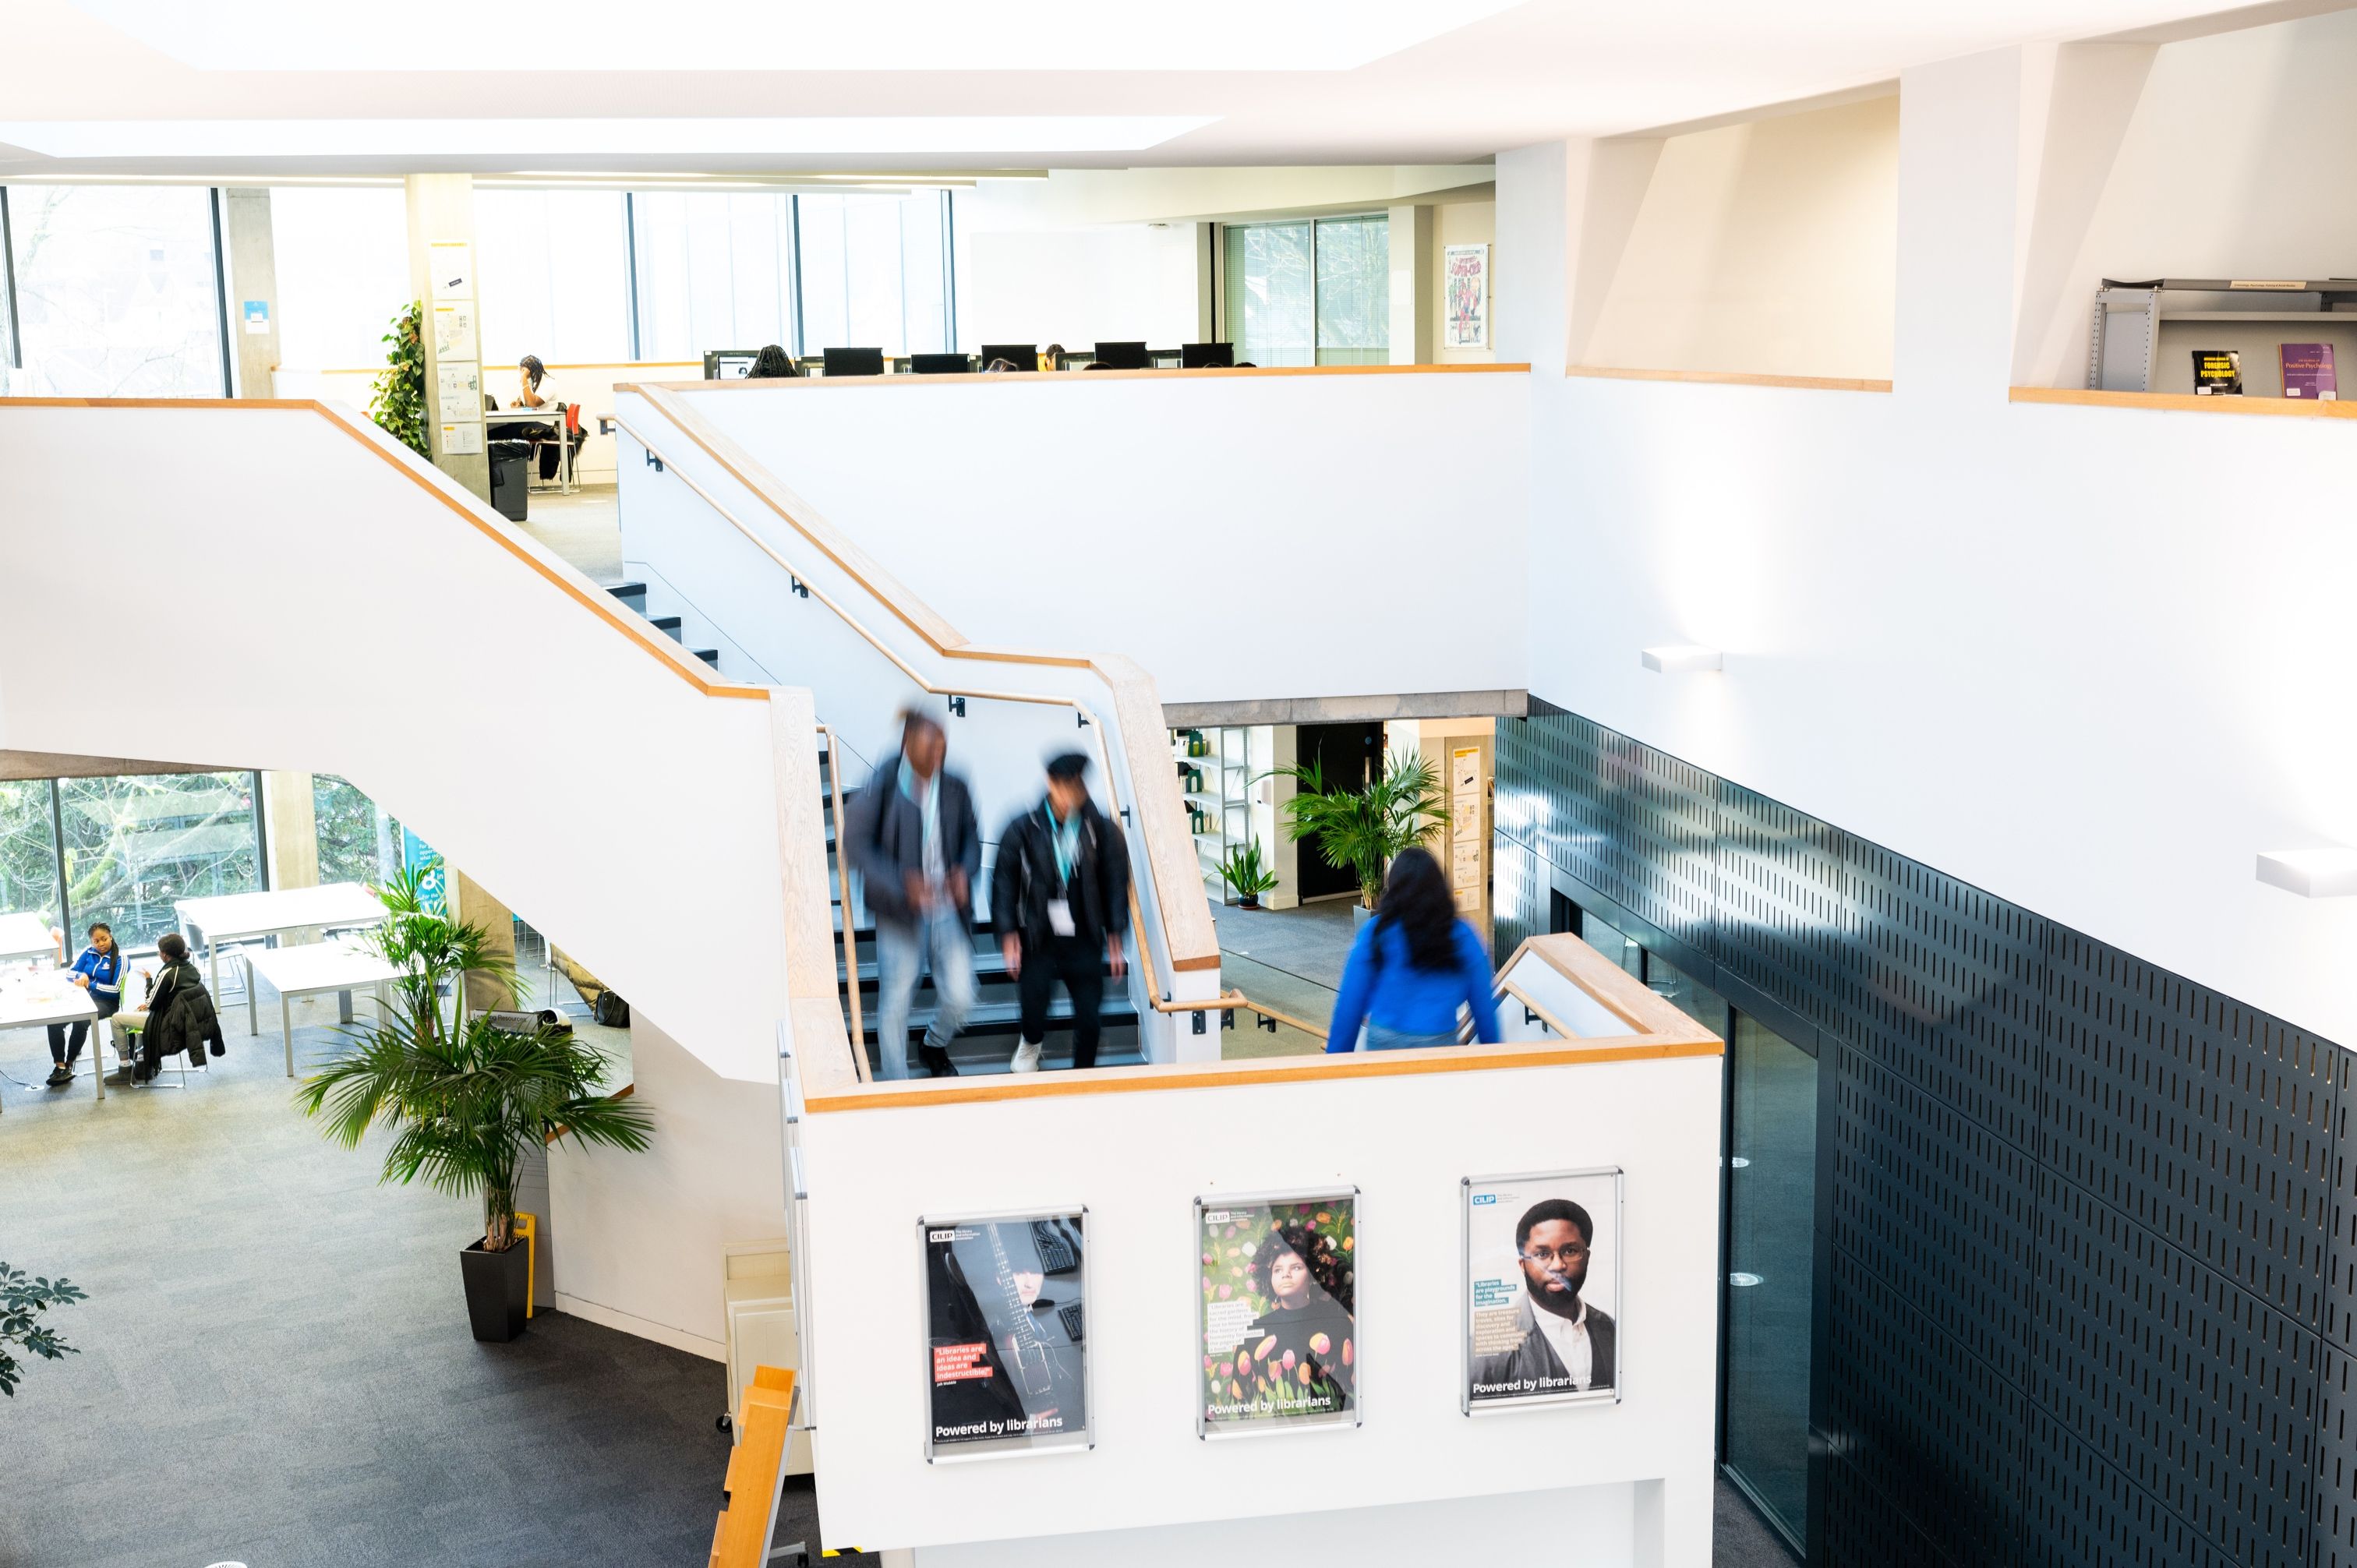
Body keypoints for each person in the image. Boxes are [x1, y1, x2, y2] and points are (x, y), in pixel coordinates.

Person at [843, 708, 981, 1079]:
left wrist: (964, 872)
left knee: (961, 997)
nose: (938, 755)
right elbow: (857, 848)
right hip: (899, 914)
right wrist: (903, 885)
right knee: (896, 1004)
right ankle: (896, 1086)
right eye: (929, 748)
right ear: (907, 745)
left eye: (943, 747)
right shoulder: (880, 786)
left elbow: (971, 837)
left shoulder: (955, 786)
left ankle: (933, 1043)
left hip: (947, 909)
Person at [991, 753, 1130, 1074]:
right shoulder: (1024, 828)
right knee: (1034, 1004)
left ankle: (1083, 1075)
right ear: (1049, 783)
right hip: (1037, 934)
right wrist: (1009, 933)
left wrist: (1114, 935)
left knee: (1089, 1017)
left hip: (1084, 935)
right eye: (1063, 788)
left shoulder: (1102, 830)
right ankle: (1030, 1043)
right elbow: (1003, 882)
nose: (1069, 797)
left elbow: (1115, 883)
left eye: (1076, 788)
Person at [1323, 846, 1499, 1051]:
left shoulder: (1376, 932)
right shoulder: (1462, 934)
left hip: (1383, 1044)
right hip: (1440, 1045)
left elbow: (1349, 1006)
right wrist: (1496, 1060)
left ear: (1393, 888)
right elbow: (1485, 1010)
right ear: (1439, 888)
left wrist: (1335, 1063)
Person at [1469, 1198, 1615, 1397]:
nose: (1557, 1265)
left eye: (1570, 1251)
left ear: (1587, 1257)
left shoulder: (1610, 1329)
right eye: (1542, 1254)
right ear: (1522, 1265)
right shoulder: (1487, 1349)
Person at [1230, 1221, 1356, 1415]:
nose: (1286, 1275)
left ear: (1312, 1273)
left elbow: (1354, 1392)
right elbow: (1239, 1404)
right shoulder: (1253, 1331)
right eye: (1277, 1270)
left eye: (1296, 1267)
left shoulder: (1337, 1323)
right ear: (1268, 1277)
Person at [124, 931, 224, 1082]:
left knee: (118, 1020)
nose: (159, 954)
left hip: (170, 1025)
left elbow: (151, 1003)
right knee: (139, 1012)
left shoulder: (168, 973)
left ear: (164, 955)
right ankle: (139, 1059)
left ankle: (126, 1066)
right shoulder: (192, 968)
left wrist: (148, 980)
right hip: (192, 1022)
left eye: (159, 951)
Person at [44, 921, 124, 1086]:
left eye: (104, 939)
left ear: (111, 937)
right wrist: (82, 974)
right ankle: (59, 1066)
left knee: (81, 1021)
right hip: (83, 997)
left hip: (107, 1002)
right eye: (96, 941)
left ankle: (69, 1063)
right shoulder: (88, 953)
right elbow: (70, 973)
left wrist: (90, 984)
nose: (100, 944)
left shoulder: (120, 960)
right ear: (91, 942)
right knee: (54, 1021)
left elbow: (115, 990)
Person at [507, 355, 565, 480]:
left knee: (500, 433)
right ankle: (510, 476)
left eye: (523, 371)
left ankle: (512, 478)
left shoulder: (549, 383)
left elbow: (533, 404)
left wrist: (523, 379)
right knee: (502, 430)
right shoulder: (533, 382)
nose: (521, 373)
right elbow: (531, 408)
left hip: (543, 426)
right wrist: (519, 407)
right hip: (533, 421)